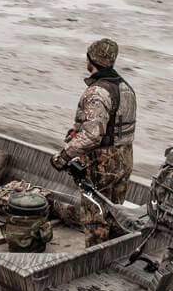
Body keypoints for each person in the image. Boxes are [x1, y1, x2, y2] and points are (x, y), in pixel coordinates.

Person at [51, 38, 137, 245]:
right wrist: (77, 130)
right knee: (114, 212)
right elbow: (113, 123)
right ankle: (115, 252)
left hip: (102, 163)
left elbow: (92, 135)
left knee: (95, 216)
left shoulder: (97, 92)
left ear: (91, 59)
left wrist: (62, 157)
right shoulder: (126, 88)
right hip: (125, 157)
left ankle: (93, 258)